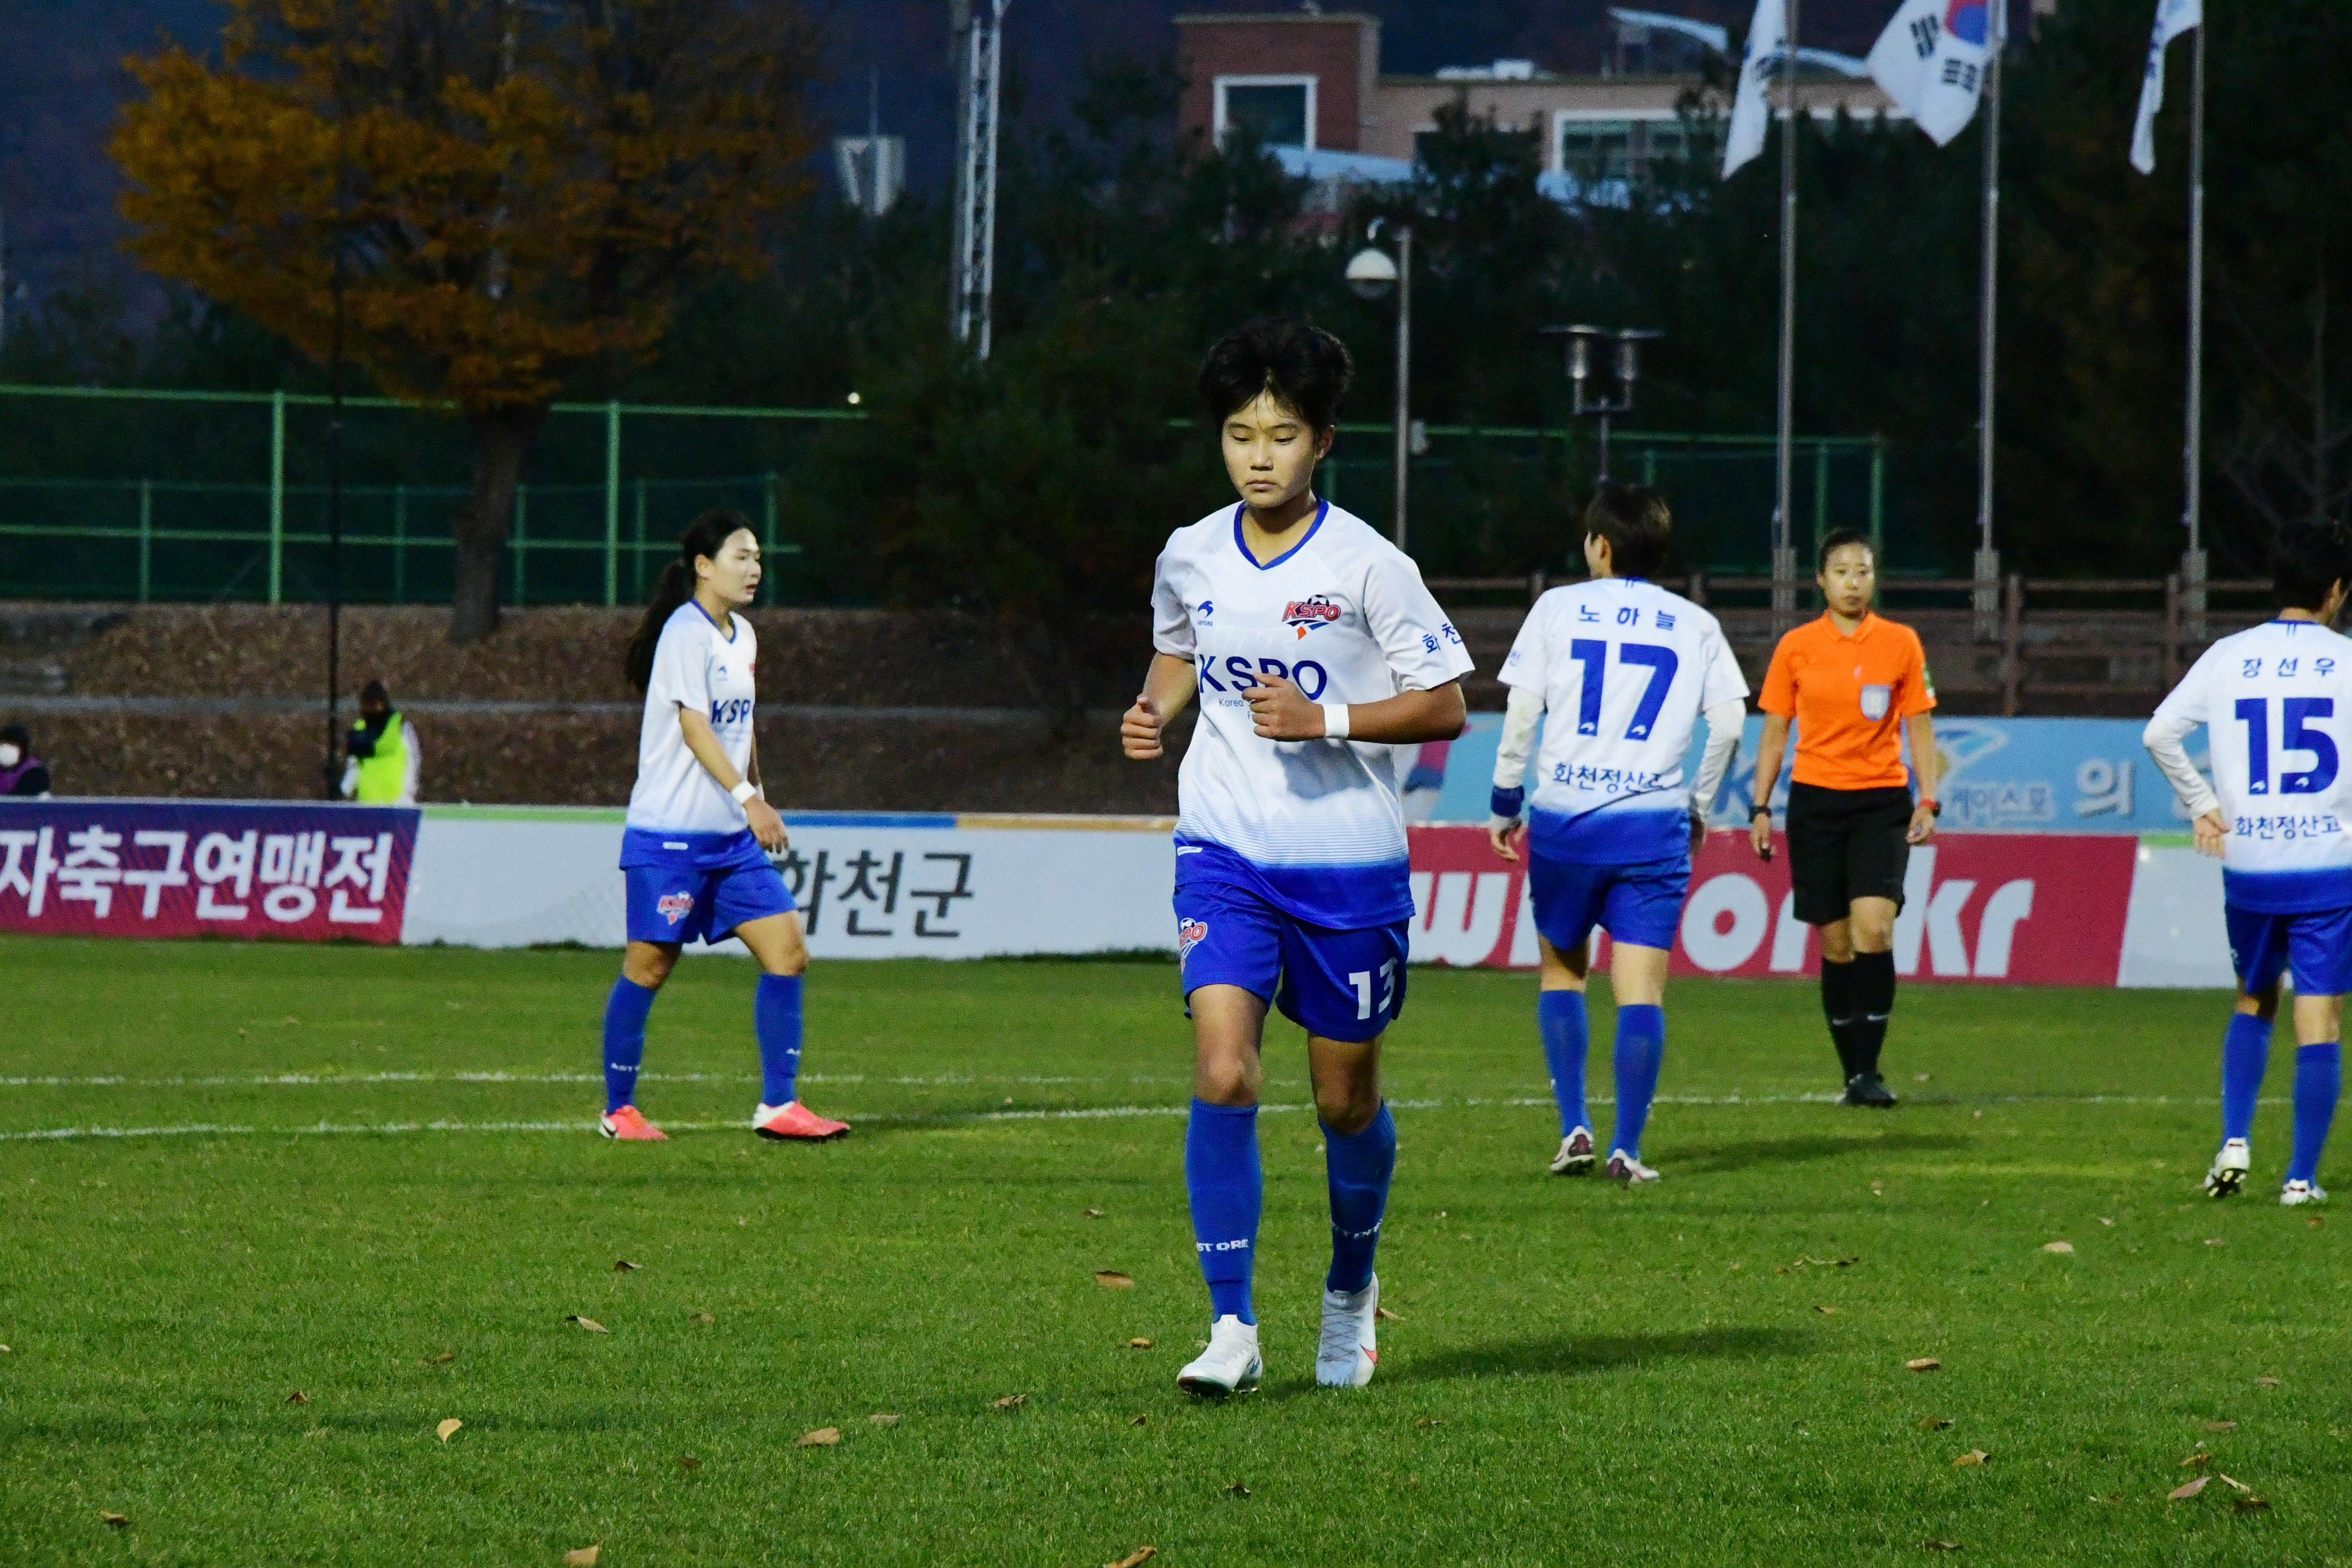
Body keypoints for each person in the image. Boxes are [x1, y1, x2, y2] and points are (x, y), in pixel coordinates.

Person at [1122, 318, 1473, 1397]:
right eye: (1238, 433)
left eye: (1279, 433)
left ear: (1323, 440)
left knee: (1342, 1102)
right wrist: (1152, 705)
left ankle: (1349, 1290)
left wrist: (1323, 719)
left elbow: (1449, 706)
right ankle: (1230, 1325)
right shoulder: (1188, 550)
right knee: (1223, 1066)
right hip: (1223, 844)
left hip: (1347, 865)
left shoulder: (1370, 563)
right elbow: (1179, 648)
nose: (1256, 454)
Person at [1486, 485, 1749, 1183]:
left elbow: (1520, 711)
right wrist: (1698, 805)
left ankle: (1573, 1125)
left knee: (1561, 971)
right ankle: (1626, 1148)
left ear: (1599, 546)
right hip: (1651, 829)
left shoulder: (1555, 608)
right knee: (1639, 991)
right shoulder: (1694, 624)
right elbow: (1726, 724)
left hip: (1567, 822)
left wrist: (1505, 798)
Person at [599, 508, 847, 1144]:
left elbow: (741, 727)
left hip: (731, 844)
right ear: (703, 567)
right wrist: (747, 799)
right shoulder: (687, 632)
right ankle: (619, 1110)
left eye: (758, 557)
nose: (755, 568)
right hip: (671, 839)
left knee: (787, 950)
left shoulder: (744, 636)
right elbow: (693, 726)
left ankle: (779, 1106)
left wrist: (758, 794)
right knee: (649, 966)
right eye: (742, 556)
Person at [2144, 520, 2352, 1206]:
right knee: (2316, 1017)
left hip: (2251, 861)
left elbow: (2159, 733)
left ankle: (2234, 1137)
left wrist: (2203, 804)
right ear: (2334, 592)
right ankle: (2299, 1178)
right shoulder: (2345, 660)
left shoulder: (2229, 655)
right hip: (2325, 863)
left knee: (2253, 997)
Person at [1747, 529, 1939, 1108]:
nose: (1854, 582)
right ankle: (1851, 1073)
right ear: (1821, 581)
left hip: (1881, 803)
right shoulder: (1797, 647)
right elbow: (1775, 734)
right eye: (1842, 572)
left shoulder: (1902, 643)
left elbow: (1920, 727)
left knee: (1874, 928)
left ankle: (1870, 1071)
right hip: (1815, 805)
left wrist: (1928, 798)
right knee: (1835, 946)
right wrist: (1760, 806)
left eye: (1864, 571)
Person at [340, 681, 421, 805]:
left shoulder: (400, 726)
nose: (372, 710)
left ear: (384, 704)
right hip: (367, 803)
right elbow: (354, 765)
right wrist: (345, 789)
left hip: (398, 802)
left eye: (376, 705)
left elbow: (413, 759)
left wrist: (409, 792)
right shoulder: (359, 729)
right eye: (368, 705)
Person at [0, 724, 52, 797]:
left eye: (12, 744)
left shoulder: (36, 773)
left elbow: (20, 799)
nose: (5, 748)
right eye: (3, 744)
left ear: (22, 749)